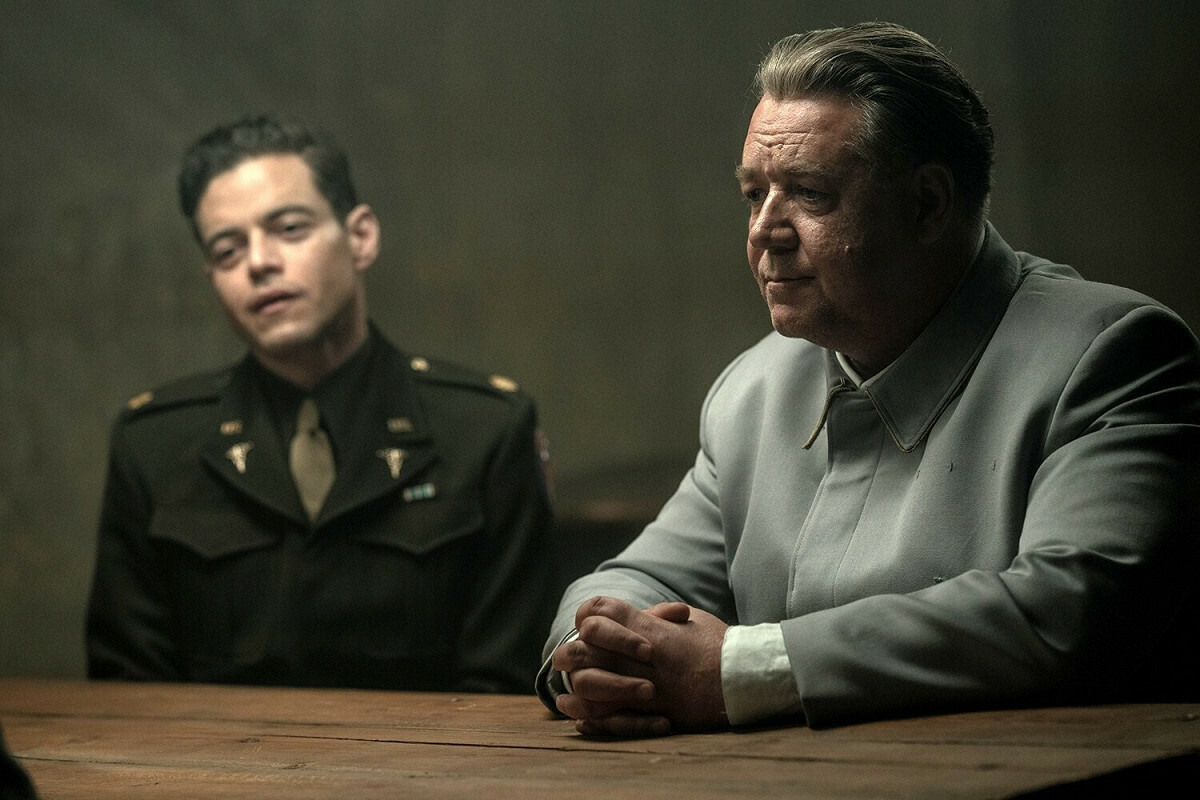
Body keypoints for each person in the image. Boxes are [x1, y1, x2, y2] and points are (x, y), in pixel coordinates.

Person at [538, 22, 1200, 735]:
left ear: (928, 204)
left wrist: (739, 671)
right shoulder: (752, 391)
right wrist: (593, 655)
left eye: (808, 193)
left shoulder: (1112, 354)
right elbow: (637, 580)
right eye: (754, 194)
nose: (764, 230)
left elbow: (1066, 613)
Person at [87, 116, 554, 694]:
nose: (259, 262)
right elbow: (129, 691)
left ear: (361, 237)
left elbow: (506, 686)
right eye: (228, 251)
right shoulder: (155, 445)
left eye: (289, 229)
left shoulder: (485, 430)